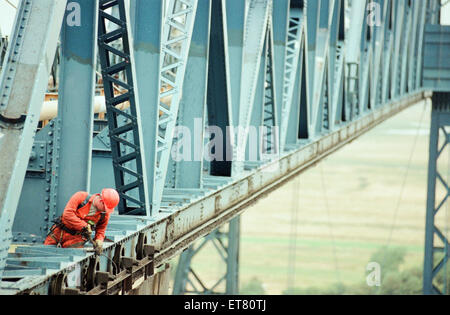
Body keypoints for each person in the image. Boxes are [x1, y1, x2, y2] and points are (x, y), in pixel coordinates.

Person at [44, 188, 120, 254]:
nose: (105, 210)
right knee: (45, 254)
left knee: (71, 263)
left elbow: (101, 229)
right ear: (100, 200)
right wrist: (84, 226)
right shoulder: (81, 197)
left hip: (76, 239)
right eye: (105, 208)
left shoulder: (104, 214)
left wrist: (99, 240)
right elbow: (67, 214)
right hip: (59, 233)